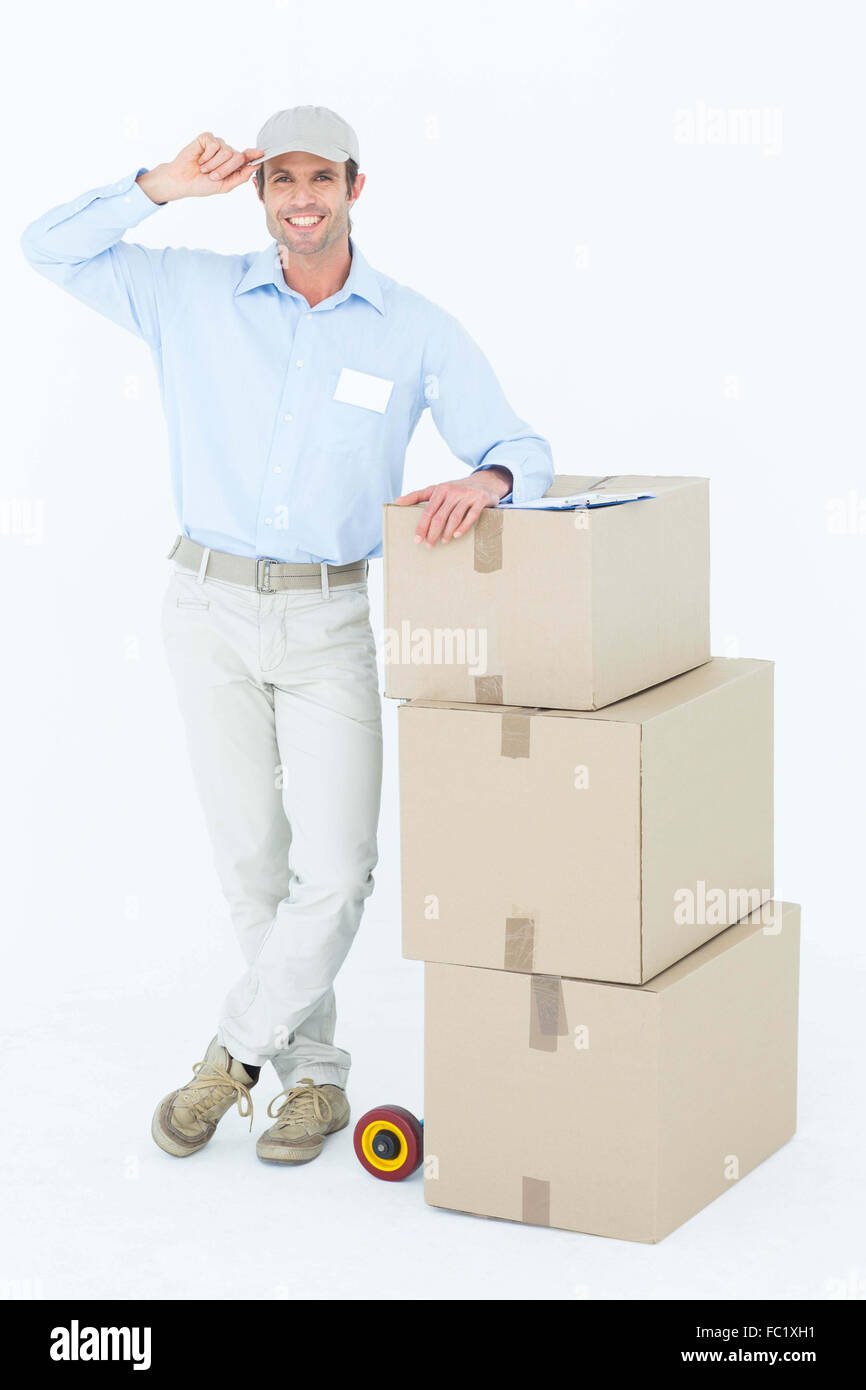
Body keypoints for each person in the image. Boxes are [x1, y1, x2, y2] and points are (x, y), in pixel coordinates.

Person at [21, 104, 554, 1166]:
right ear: (258, 193)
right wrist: (161, 185)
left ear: (356, 187)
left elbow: (518, 443)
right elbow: (45, 245)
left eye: (320, 178)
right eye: (280, 181)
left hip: (329, 619)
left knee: (339, 866)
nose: (300, 199)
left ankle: (231, 1058)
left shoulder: (410, 328)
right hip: (204, 607)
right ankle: (314, 1079)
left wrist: (486, 478)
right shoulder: (189, 293)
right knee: (252, 863)